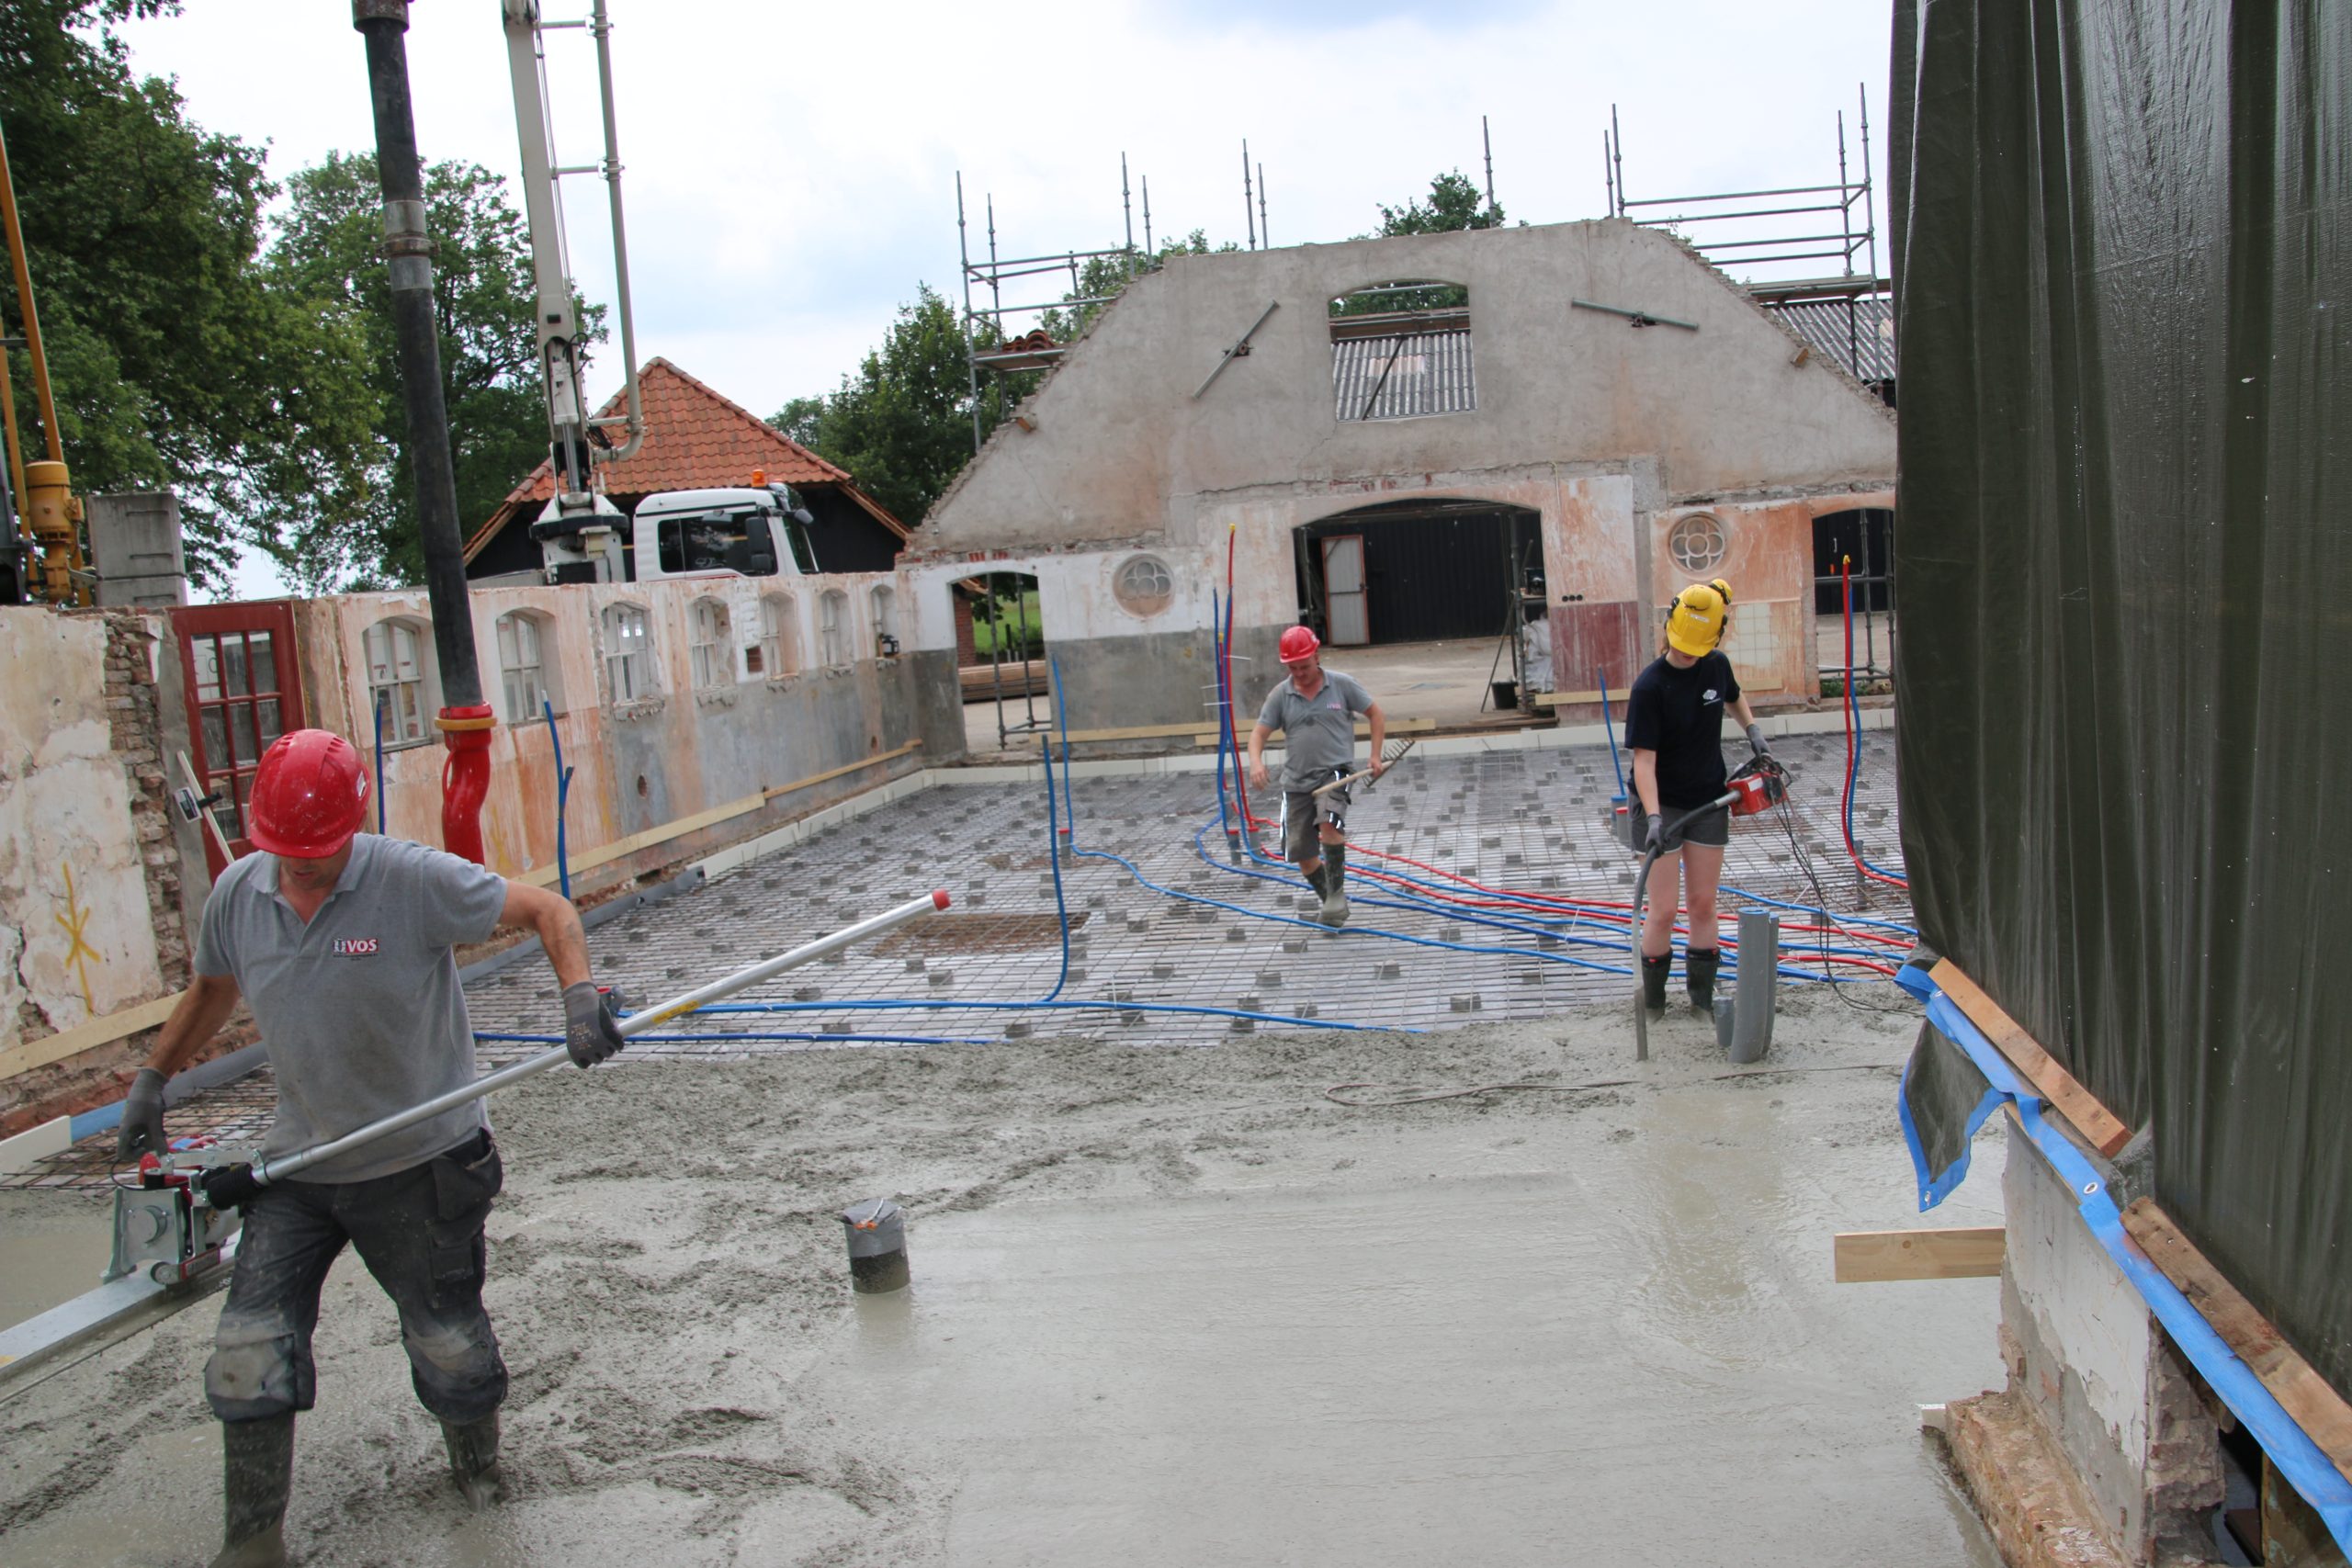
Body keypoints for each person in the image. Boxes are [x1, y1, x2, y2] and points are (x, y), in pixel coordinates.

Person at [116, 728, 626, 1568]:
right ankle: (252, 1544)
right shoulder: (241, 894)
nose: (301, 865)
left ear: (351, 827)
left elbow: (547, 908)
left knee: (448, 1344)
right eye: (285, 850)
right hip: (299, 1166)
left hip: (420, 1162)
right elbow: (213, 985)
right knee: (248, 1349)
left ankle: (479, 1481)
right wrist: (152, 1078)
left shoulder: (412, 880)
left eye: (317, 850)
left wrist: (578, 994)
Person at [1624, 580, 1770, 1014]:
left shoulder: (1716, 666)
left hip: (1709, 798)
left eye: (1696, 647)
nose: (1688, 654)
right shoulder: (1649, 688)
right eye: (1683, 646)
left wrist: (1754, 733)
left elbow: (1735, 696)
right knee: (1665, 909)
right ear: (1669, 629)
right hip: (1661, 805)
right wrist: (1652, 818)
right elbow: (1643, 764)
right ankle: (1652, 1004)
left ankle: (1701, 999)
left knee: (1703, 903)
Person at [1247, 625, 1388, 926]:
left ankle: (1336, 894)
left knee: (1329, 824)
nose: (1300, 673)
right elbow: (1258, 734)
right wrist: (1256, 763)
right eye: (1293, 668)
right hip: (1296, 782)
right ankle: (1332, 903)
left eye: (1305, 666)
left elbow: (1375, 714)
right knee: (1302, 854)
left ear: (1317, 656)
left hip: (1334, 773)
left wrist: (1374, 755)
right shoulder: (1280, 695)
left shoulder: (1342, 685)